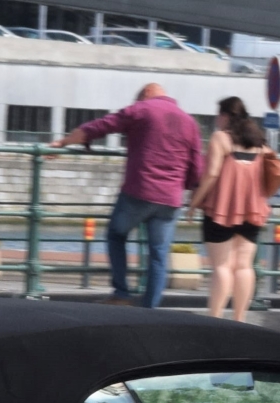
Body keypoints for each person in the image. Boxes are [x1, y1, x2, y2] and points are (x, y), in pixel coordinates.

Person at [49, 82, 202, 308]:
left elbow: (99, 127)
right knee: (158, 255)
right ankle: (150, 309)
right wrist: (186, 188)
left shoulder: (141, 109)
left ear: (146, 94)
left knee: (116, 234)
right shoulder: (189, 122)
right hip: (171, 199)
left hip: (140, 191)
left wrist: (62, 142)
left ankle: (122, 293)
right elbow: (197, 167)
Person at [191, 96, 280, 322]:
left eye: (218, 115)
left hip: (220, 210)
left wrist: (194, 203)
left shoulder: (220, 138)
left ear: (225, 116)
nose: (216, 120)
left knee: (222, 266)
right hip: (252, 210)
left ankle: (215, 318)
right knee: (243, 266)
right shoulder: (259, 141)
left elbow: (211, 174)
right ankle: (239, 319)